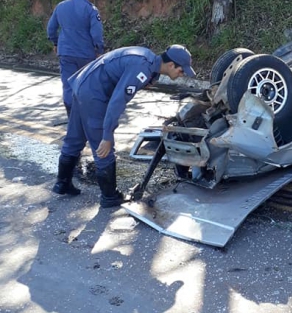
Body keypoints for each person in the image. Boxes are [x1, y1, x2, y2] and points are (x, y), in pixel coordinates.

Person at [52, 44, 196, 207]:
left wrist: (151, 79)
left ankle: (62, 184)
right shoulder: (142, 70)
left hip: (84, 84)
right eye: (181, 70)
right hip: (94, 93)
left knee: (75, 138)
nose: (181, 74)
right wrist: (107, 135)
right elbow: (117, 101)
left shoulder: (147, 59)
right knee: (103, 147)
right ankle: (109, 197)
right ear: (171, 65)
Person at [46, 0, 105, 117]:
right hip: (86, 55)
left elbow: (51, 29)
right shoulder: (91, 9)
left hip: (66, 52)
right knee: (86, 85)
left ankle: (71, 115)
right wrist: (99, 51)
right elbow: (96, 34)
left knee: (68, 85)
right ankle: (86, 117)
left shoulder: (61, 6)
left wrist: (56, 43)